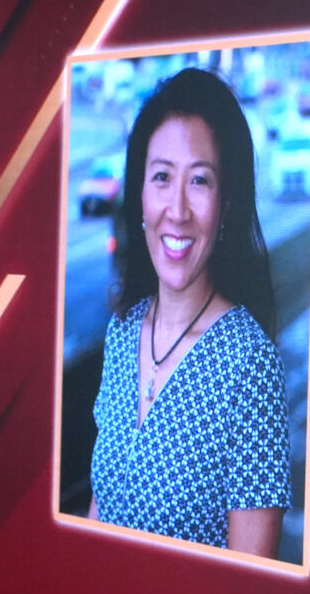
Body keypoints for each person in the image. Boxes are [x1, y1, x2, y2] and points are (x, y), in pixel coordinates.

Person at [85, 68, 291, 558]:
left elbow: (249, 578)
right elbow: (100, 510)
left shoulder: (249, 364)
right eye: (161, 177)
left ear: (227, 205)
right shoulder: (123, 332)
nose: (176, 210)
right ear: (139, 194)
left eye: (199, 180)